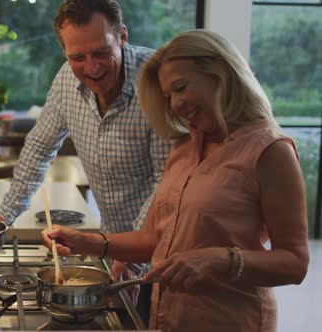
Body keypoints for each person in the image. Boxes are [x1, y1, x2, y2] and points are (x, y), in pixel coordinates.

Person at [41, 29, 310, 332]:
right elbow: (153, 240)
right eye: (168, 96)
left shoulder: (269, 150)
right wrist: (86, 242)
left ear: (220, 72)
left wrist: (222, 260)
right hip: (167, 316)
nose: (175, 105)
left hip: (229, 321)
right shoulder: (184, 146)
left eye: (181, 88)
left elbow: (295, 263)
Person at [0, 0, 169, 291]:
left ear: (122, 36)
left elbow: (166, 181)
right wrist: (5, 213)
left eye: (102, 52)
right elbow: (40, 146)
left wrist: (131, 256)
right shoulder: (66, 80)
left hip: (163, 254)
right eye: (78, 57)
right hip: (111, 247)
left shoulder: (155, 81)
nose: (92, 67)